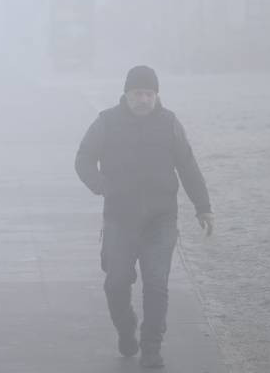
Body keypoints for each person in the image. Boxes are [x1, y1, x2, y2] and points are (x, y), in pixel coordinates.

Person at [74, 65, 213, 369]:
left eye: (149, 94)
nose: (144, 99)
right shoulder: (106, 122)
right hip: (119, 219)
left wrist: (203, 206)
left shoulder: (169, 123)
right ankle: (126, 328)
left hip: (160, 220)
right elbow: (83, 158)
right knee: (116, 281)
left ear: (156, 95)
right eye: (138, 93)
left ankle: (152, 346)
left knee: (156, 283)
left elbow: (187, 165)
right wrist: (100, 185)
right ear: (126, 94)